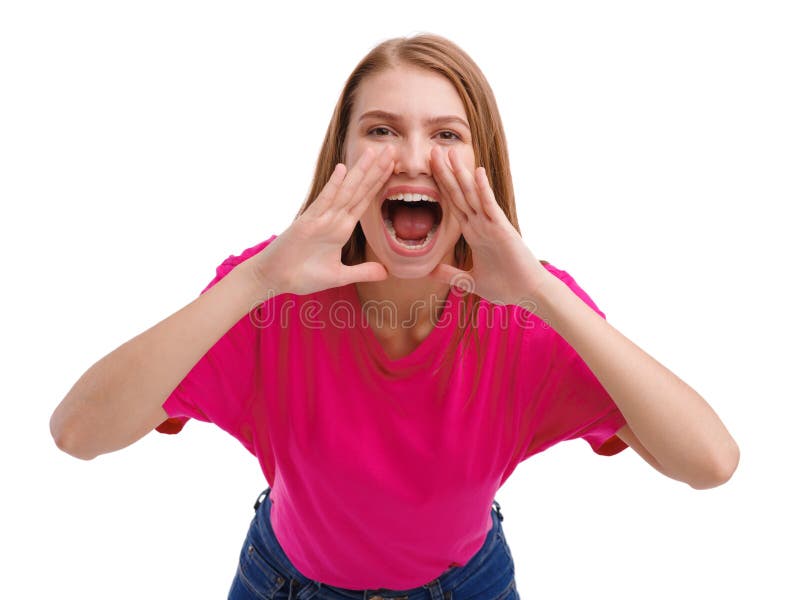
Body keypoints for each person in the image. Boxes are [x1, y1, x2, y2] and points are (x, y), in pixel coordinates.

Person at [50, 33, 739, 600]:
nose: (414, 158)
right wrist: (256, 280)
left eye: (447, 135)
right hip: (284, 583)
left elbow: (711, 462)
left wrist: (540, 290)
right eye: (381, 130)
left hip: (467, 586)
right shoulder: (272, 295)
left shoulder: (528, 314)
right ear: (342, 160)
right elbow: (78, 432)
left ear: (483, 167)